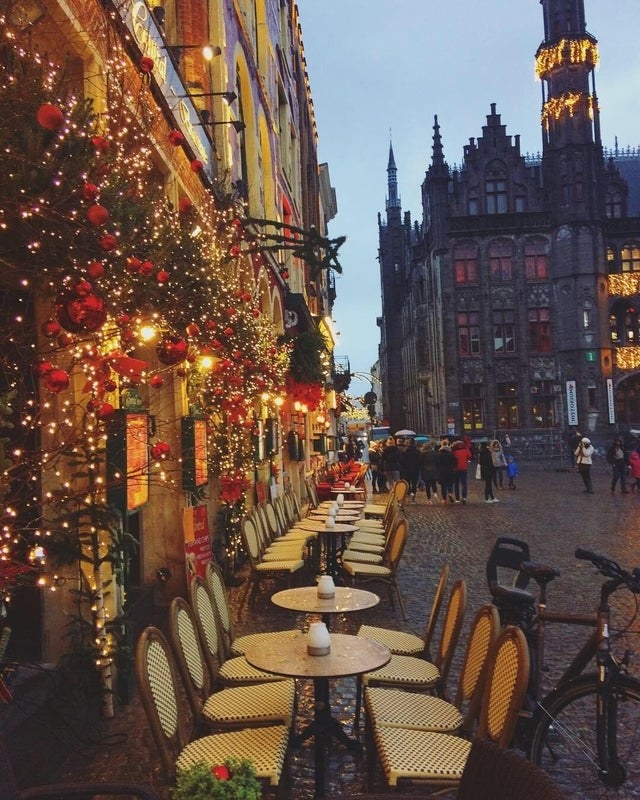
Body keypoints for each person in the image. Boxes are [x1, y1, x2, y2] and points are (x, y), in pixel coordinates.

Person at [399, 437, 421, 502]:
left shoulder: (405, 451)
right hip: (415, 470)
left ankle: (408, 495)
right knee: (414, 484)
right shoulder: (417, 451)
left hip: (406, 470)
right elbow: (419, 461)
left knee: (407, 484)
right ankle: (413, 497)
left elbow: (401, 461)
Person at [436, 439, 457, 504]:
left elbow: (437, 463)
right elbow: (455, 462)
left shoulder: (439, 453)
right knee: (450, 483)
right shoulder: (451, 453)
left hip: (442, 471)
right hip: (450, 470)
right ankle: (450, 493)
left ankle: (444, 499)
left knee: (443, 486)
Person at [452, 438, 472, 503]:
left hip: (455, 469)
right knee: (464, 484)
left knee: (456, 484)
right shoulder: (465, 450)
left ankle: (457, 498)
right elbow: (470, 456)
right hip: (463, 468)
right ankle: (464, 497)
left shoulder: (454, 451)